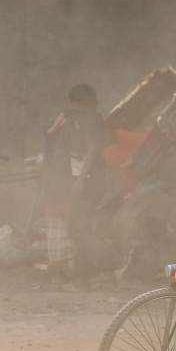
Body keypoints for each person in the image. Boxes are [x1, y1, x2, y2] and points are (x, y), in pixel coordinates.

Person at [42, 83, 107, 285]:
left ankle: (86, 273)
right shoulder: (68, 119)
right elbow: (52, 143)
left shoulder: (92, 120)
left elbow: (92, 149)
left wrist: (79, 180)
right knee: (70, 226)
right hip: (63, 179)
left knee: (79, 225)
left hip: (84, 181)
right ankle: (73, 272)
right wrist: (54, 128)